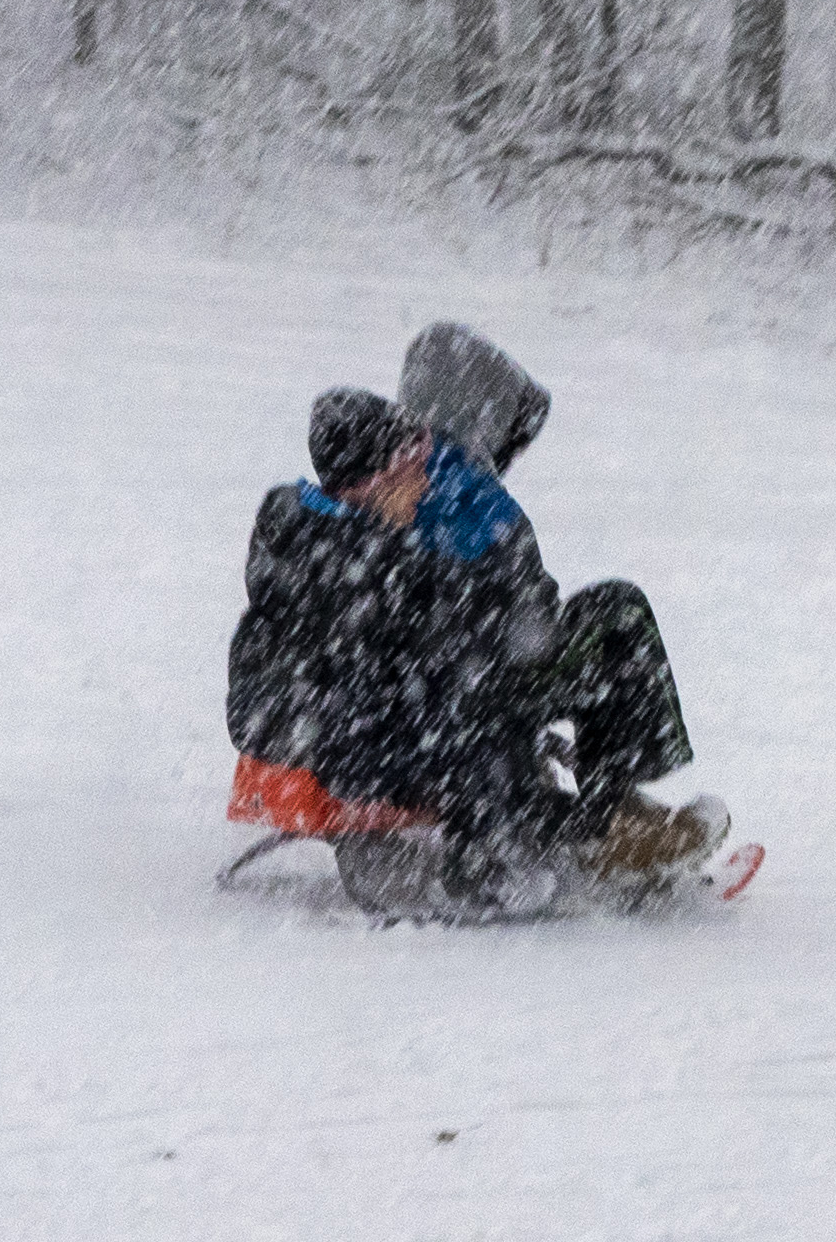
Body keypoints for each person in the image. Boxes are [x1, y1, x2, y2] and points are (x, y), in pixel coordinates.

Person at [224, 325, 719, 913]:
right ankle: (525, 853)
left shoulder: (346, 536)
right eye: (411, 470)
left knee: (479, 687)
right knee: (474, 705)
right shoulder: (361, 551)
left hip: (356, 720)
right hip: (359, 735)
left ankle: (604, 820)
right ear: (372, 484)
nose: (425, 478)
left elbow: (437, 621)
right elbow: (420, 629)